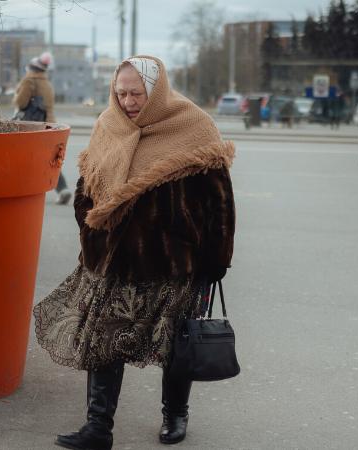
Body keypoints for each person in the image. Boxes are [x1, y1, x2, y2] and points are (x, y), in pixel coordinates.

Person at [33, 55, 235, 449]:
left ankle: (175, 415)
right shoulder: (108, 124)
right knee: (103, 340)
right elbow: (87, 184)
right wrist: (90, 232)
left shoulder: (193, 126)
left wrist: (216, 262)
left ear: (155, 91)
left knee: (177, 343)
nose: (127, 101)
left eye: (136, 93)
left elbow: (220, 202)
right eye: (120, 92)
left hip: (178, 263)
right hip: (118, 262)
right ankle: (97, 428)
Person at [13, 52, 72, 205]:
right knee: (49, 158)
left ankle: (22, 191)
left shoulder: (29, 81)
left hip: (32, 126)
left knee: (24, 158)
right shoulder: (47, 84)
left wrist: (16, 94)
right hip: (49, 123)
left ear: (31, 68)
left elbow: (21, 103)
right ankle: (63, 188)